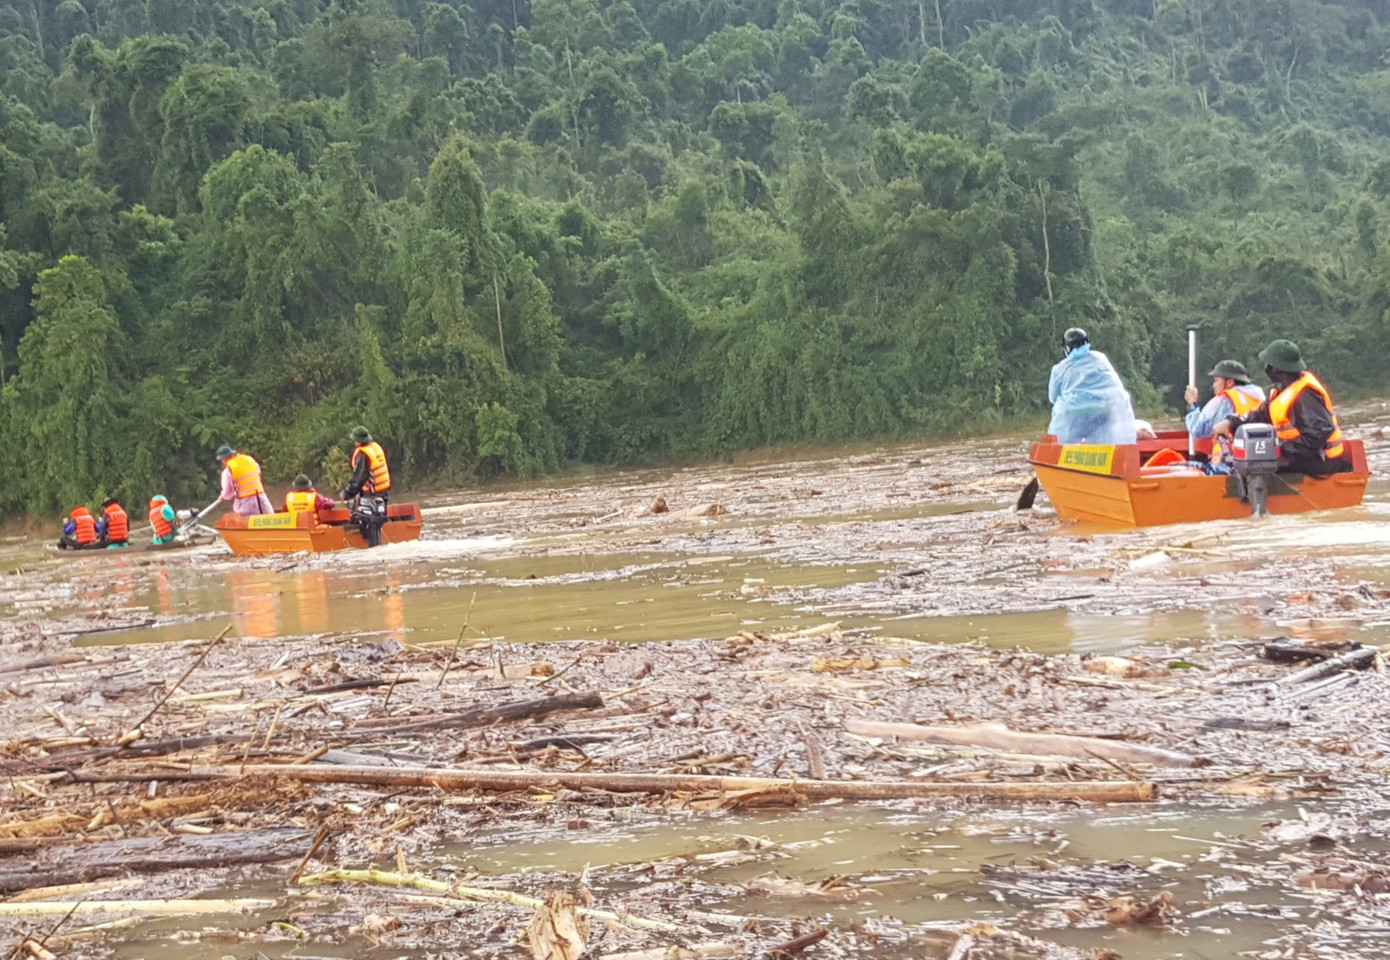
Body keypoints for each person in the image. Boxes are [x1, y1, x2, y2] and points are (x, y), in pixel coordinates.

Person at [1212, 339, 1352, 476]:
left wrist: (1279, 450)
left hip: (1320, 460)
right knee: (1245, 461)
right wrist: (1231, 423)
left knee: (1256, 465)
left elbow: (1318, 433)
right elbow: (1261, 415)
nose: (1266, 369)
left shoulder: (1306, 394)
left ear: (1277, 369)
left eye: (1269, 365)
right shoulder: (1282, 390)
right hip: (1298, 455)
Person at [1047, 328, 1137, 445]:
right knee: (1102, 432)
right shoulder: (1101, 358)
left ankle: (1062, 450)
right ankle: (1106, 449)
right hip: (1105, 410)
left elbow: (1053, 398)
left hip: (1072, 416)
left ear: (1067, 348)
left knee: (1063, 424)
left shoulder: (1059, 369)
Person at [1185, 360, 1266, 439]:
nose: (1214, 385)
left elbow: (1197, 429)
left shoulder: (1223, 400)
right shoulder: (1258, 397)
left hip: (1232, 447)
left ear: (1229, 382)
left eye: (1216, 380)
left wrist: (1192, 403)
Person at [217, 445, 274, 516]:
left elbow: (228, 492)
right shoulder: (250, 460)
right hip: (262, 498)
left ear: (224, 459)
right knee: (269, 517)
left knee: (240, 518)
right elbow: (258, 475)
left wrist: (223, 496)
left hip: (246, 502)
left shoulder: (228, 470)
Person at [342, 426, 392, 505]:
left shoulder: (363, 454)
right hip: (383, 492)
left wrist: (347, 494)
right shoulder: (375, 447)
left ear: (358, 441)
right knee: (381, 511)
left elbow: (359, 478)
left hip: (372, 494)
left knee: (365, 512)